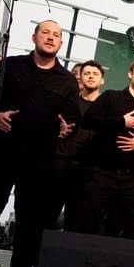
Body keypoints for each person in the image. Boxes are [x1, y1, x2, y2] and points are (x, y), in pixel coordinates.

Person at [0, 20, 79, 267]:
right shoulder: (11, 65)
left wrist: (67, 127)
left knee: (30, 222)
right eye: (46, 33)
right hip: (2, 153)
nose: (51, 38)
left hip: (39, 160)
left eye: (56, 35)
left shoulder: (67, 80)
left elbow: (71, 117)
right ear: (34, 37)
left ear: (61, 43)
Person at [75, 58, 134, 239]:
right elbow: (88, 121)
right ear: (130, 74)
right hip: (102, 173)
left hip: (133, 178)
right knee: (88, 223)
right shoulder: (111, 97)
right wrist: (121, 122)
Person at [51, 59, 104, 232]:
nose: (91, 76)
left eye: (95, 74)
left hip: (87, 169)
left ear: (102, 80)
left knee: (76, 221)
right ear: (80, 77)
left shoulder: (107, 108)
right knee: (48, 213)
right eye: (87, 73)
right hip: (61, 163)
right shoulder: (69, 103)